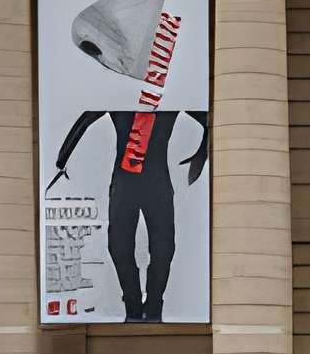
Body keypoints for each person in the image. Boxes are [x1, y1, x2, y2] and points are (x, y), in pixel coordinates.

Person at [49, 107, 209, 322]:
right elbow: (87, 117)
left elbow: (209, 120)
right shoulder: (120, 98)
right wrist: (61, 160)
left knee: (164, 250)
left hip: (156, 182)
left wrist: (202, 152)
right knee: (118, 247)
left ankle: (153, 307)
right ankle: (133, 306)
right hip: (125, 184)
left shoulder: (167, 101)